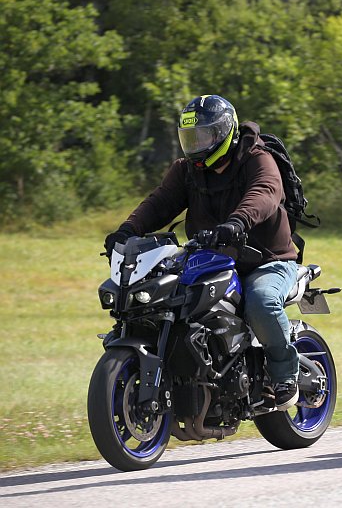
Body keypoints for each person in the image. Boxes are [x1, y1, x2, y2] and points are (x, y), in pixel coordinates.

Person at [104, 94, 301, 409]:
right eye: (190, 137)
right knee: (163, 298)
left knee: (261, 302)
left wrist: (237, 222)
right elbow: (161, 201)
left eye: (204, 135)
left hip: (265, 260)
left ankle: (285, 376)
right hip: (209, 258)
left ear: (224, 132)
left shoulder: (256, 158)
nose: (196, 144)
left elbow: (265, 192)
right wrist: (128, 230)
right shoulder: (186, 170)